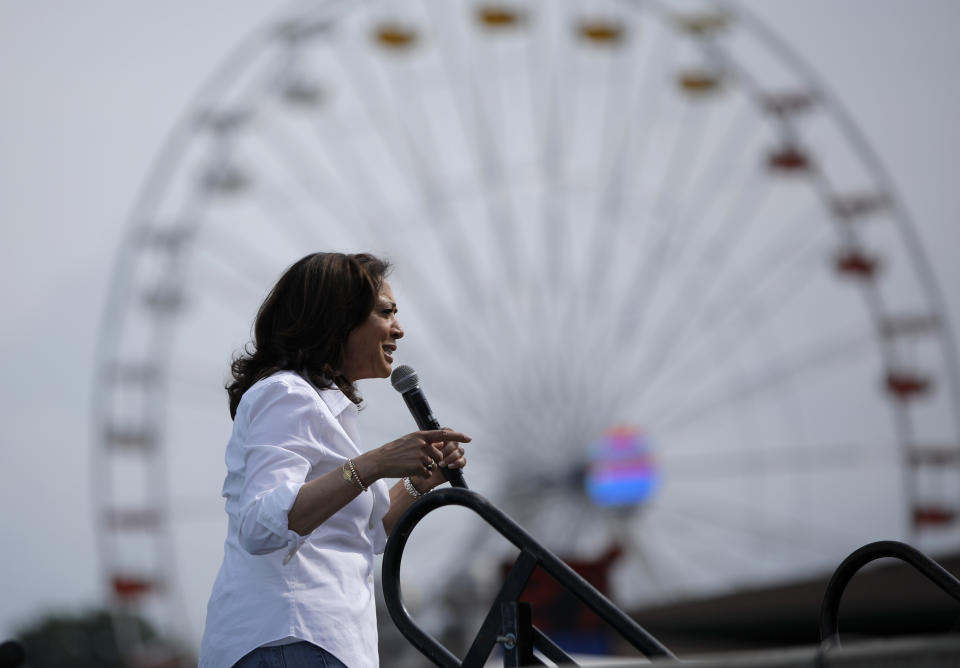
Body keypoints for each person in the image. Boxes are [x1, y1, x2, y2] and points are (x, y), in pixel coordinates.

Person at [199, 252, 470, 668]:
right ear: (339, 319)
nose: (399, 329)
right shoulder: (286, 395)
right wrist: (375, 463)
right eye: (385, 312)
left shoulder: (325, 408)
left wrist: (420, 481)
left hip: (314, 642)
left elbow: (366, 532)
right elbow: (260, 523)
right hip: (291, 638)